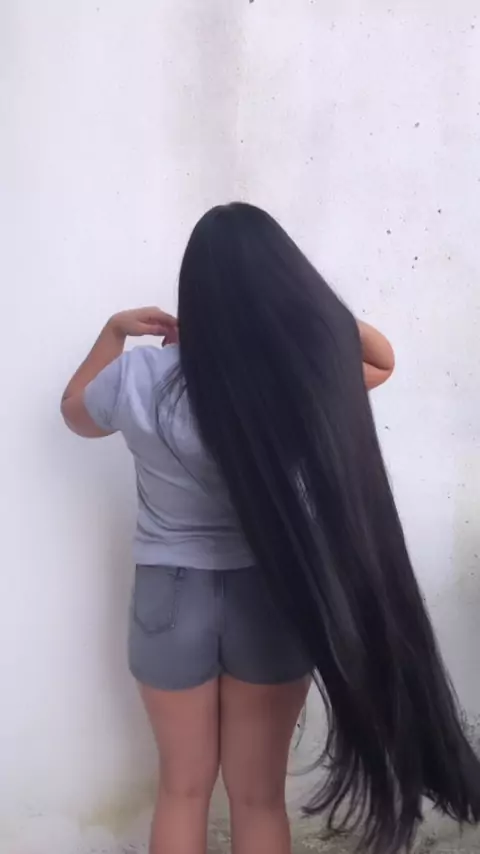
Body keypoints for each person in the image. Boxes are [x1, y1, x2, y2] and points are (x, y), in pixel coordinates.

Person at [61, 203, 480, 854]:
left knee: (182, 789)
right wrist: (301, 316)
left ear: (193, 293)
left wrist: (114, 332)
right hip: (272, 591)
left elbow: (74, 412)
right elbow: (381, 360)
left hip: (169, 597)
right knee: (257, 797)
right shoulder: (295, 381)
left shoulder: (138, 376)